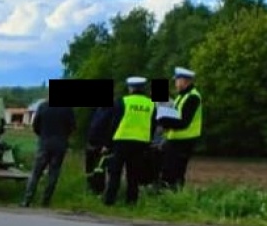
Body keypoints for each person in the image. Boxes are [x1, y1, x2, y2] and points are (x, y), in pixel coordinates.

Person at [102, 75, 155, 207]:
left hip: (122, 140)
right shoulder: (151, 104)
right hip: (141, 142)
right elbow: (153, 125)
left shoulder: (123, 101)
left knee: (115, 172)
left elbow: (114, 124)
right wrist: (149, 141)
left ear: (131, 88)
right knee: (134, 173)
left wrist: (107, 144)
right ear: (143, 88)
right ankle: (131, 202)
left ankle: (109, 201)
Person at [21, 99, 75, 207]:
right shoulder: (67, 109)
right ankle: (45, 201)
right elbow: (72, 126)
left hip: (44, 142)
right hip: (60, 144)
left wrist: (42, 134)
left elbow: (35, 125)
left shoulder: (43, 106)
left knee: (36, 172)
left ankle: (27, 200)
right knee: (53, 173)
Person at [158, 65, 203, 190]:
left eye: (177, 80)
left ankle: (174, 197)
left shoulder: (193, 97)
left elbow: (183, 122)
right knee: (168, 170)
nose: (176, 83)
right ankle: (168, 196)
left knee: (175, 172)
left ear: (185, 81)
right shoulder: (181, 96)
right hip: (175, 139)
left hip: (184, 140)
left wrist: (164, 121)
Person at [84, 103, 115, 195]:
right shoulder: (98, 109)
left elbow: (112, 128)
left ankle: (99, 191)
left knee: (99, 169)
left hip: (102, 145)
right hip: (91, 143)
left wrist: (107, 144)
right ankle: (90, 187)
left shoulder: (111, 110)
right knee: (89, 168)